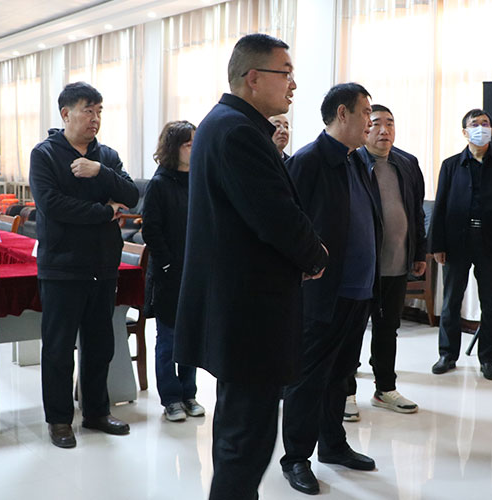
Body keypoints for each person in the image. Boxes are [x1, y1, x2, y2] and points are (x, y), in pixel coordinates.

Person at [172, 34, 328, 500]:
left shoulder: (223, 124)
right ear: (254, 78)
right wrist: (315, 255)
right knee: (247, 440)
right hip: (249, 312)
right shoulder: (239, 132)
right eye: (286, 73)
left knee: (238, 432)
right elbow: (275, 216)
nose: (293, 85)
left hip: (236, 308)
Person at [280, 83, 380, 495]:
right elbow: (288, 226)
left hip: (358, 291)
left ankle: (333, 445)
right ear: (343, 113)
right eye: (365, 112)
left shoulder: (357, 161)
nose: (371, 121)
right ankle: (296, 458)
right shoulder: (308, 161)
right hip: (324, 293)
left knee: (341, 375)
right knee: (308, 379)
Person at [29, 81, 140, 449]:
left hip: (103, 265)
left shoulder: (106, 156)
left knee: (99, 345)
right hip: (62, 266)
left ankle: (96, 412)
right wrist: (104, 212)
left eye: (99, 111)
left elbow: (131, 195)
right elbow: (52, 206)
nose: (95, 118)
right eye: (87, 110)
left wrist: (99, 172)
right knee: (59, 348)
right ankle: (60, 419)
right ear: (66, 114)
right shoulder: (45, 154)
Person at [343, 104, 426, 421]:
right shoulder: (352, 163)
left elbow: (416, 212)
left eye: (390, 123)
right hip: (361, 267)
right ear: (365, 128)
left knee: (388, 328)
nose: (384, 130)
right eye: (376, 123)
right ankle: (346, 392)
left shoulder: (407, 163)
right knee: (352, 331)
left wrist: (418, 253)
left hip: (396, 263)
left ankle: (385, 388)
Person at [429, 109, 492, 380]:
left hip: (490, 243)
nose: (481, 128)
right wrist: (437, 245)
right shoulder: (451, 165)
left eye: (485, 123)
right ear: (465, 132)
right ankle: (447, 354)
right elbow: (440, 206)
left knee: (490, 305)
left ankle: (488, 359)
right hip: (456, 241)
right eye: (475, 124)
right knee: (451, 301)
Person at [142, 120, 204, 422]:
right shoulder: (160, 183)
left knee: (191, 336)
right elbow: (151, 230)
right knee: (168, 339)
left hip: (195, 272)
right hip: (169, 273)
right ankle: (171, 398)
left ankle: (189, 393)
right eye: (188, 144)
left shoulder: (199, 179)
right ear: (174, 148)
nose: (194, 148)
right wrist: (167, 263)